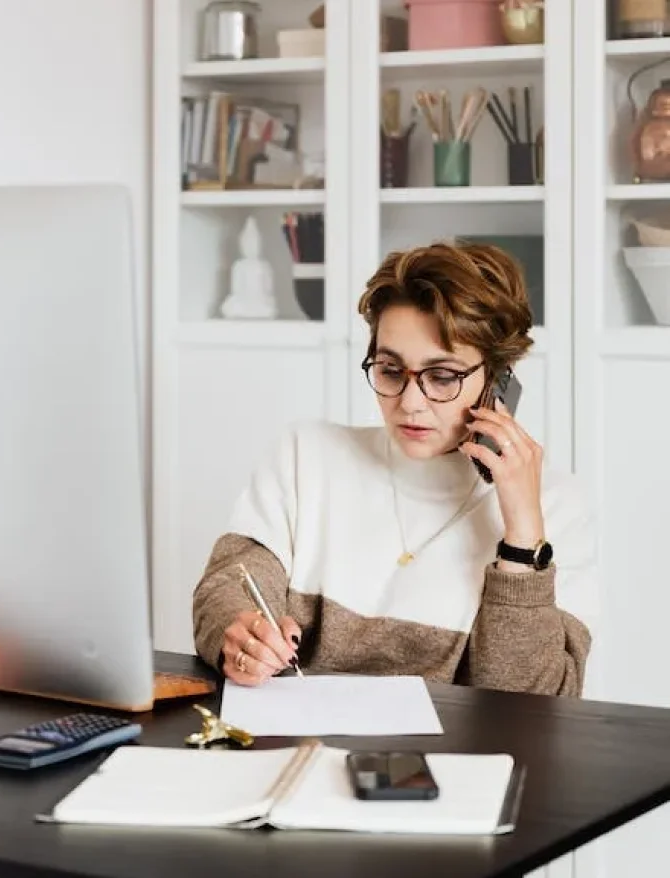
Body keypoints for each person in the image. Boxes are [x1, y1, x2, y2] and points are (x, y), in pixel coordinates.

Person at [192, 242, 598, 697]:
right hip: (296, 747)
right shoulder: (305, 455)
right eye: (390, 370)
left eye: (442, 377)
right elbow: (227, 588)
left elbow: (534, 703)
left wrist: (522, 538)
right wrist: (239, 632)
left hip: (454, 764)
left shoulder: (554, 508)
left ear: (499, 379)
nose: (409, 404)